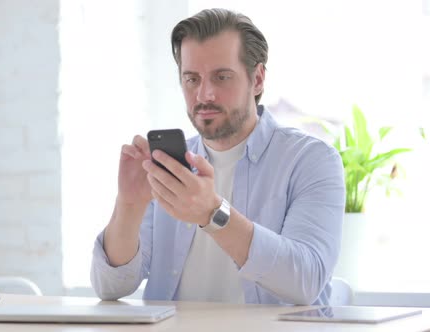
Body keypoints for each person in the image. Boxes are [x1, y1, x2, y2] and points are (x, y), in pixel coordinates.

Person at [91, 8, 345, 305]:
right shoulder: (168, 166)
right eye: (192, 79)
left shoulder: (311, 161)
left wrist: (213, 214)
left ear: (258, 79)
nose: (204, 95)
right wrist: (129, 205)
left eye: (221, 77)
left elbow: (307, 280)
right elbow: (110, 288)